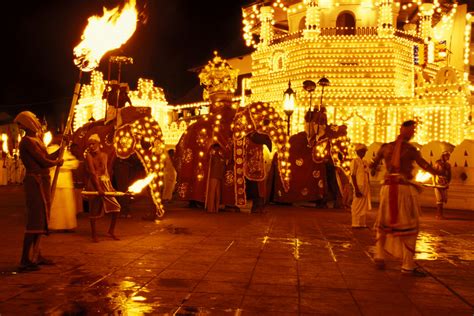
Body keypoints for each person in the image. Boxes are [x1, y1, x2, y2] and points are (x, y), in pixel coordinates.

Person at [370, 120, 441, 277]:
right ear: (406, 131)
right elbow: (424, 165)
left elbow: (373, 165)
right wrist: (439, 173)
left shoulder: (385, 147)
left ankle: (379, 256)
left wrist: (377, 168)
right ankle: (408, 265)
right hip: (403, 189)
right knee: (410, 227)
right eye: (412, 130)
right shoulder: (410, 149)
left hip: (387, 188)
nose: (413, 133)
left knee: (383, 223)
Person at [14, 111, 63, 272]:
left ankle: (37, 254)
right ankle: (24, 259)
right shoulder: (27, 142)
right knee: (34, 220)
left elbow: (47, 157)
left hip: (43, 181)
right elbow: (42, 161)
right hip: (35, 182)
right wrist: (56, 162)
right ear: (28, 122)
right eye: (34, 119)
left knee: (41, 219)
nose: (37, 121)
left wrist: (62, 148)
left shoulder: (37, 140)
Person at [84, 134, 121, 242]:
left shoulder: (104, 155)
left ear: (99, 144)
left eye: (93, 144)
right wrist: (98, 187)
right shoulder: (88, 156)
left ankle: (111, 231)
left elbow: (105, 172)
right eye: (89, 144)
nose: (91, 146)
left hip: (105, 183)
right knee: (94, 209)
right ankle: (94, 235)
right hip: (94, 184)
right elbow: (92, 172)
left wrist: (110, 186)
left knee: (116, 207)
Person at [48, 142, 79, 231]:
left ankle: (68, 226)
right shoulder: (50, 151)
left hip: (66, 183)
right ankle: (53, 225)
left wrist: (62, 165)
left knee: (67, 206)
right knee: (55, 206)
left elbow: (75, 163)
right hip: (55, 183)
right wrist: (59, 164)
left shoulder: (65, 152)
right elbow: (50, 164)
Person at [350, 144, 371, 228]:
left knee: (363, 204)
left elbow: (368, 173)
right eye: (362, 151)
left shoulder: (365, 162)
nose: (363, 153)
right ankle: (355, 223)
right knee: (357, 204)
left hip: (365, 185)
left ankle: (362, 223)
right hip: (358, 185)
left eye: (364, 151)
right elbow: (353, 175)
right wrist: (356, 188)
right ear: (357, 152)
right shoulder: (355, 161)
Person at [205, 143, 226, 213]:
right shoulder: (217, 157)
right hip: (217, 176)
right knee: (215, 192)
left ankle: (212, 209)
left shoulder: (215, 157)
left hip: (215, 176)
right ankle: (214, 208)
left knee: (214, 192)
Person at [433, 151, 451, 219]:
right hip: (438, 182)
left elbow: (449, 175)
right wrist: (434, 182)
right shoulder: (437, 163)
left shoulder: (448, 165)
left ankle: (440, 214)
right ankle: (438, 215)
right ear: (443, 156)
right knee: (439, 198)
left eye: (449, 156)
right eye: (447, 156)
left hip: (444, 183)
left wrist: (448, 182)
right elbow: (433, 172)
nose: (448, 157)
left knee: (443, 198)